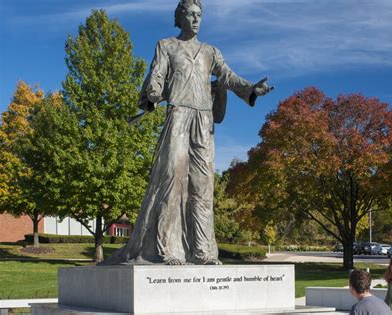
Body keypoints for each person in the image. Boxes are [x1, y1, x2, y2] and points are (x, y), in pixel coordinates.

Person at [103, 0, 273, 266]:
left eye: (199, 15)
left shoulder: (210, 52)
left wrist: (251, 88)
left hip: (204, 121)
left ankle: (203, 251)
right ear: (179, 18)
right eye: (190, 15)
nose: (195, 19)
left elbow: (227, 77)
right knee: (172, 177)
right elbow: (156, 75)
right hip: (179, 115)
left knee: (202, 186)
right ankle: (166, 249)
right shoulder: (166, 45)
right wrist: (152, 92)